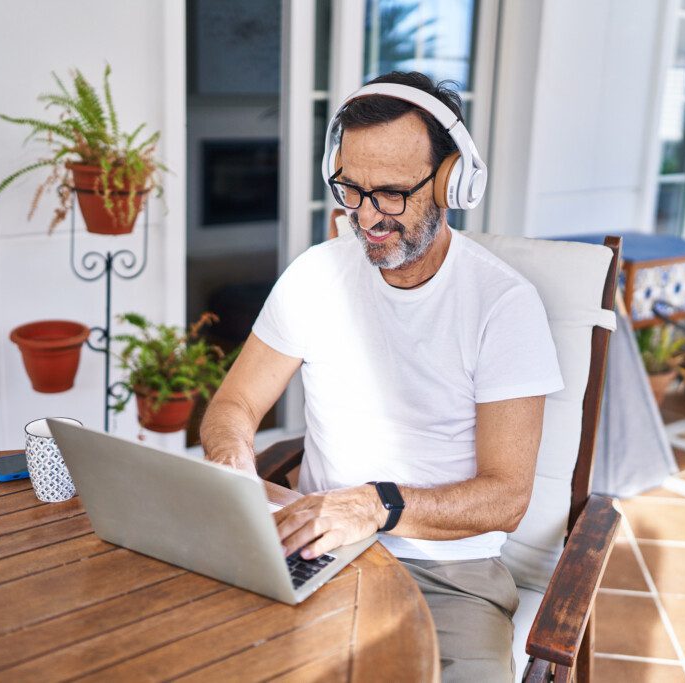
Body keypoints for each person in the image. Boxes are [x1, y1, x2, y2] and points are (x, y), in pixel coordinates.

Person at [200, 71, 563, 681]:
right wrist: (234, 468)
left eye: (391, 193)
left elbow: (507, 497)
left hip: (448, 580)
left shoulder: (503, 304)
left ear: (452, 181)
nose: (366, 218)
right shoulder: (316, 275)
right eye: (351, 189)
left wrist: (377, 506)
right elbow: (234, 404)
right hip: (314, 549)